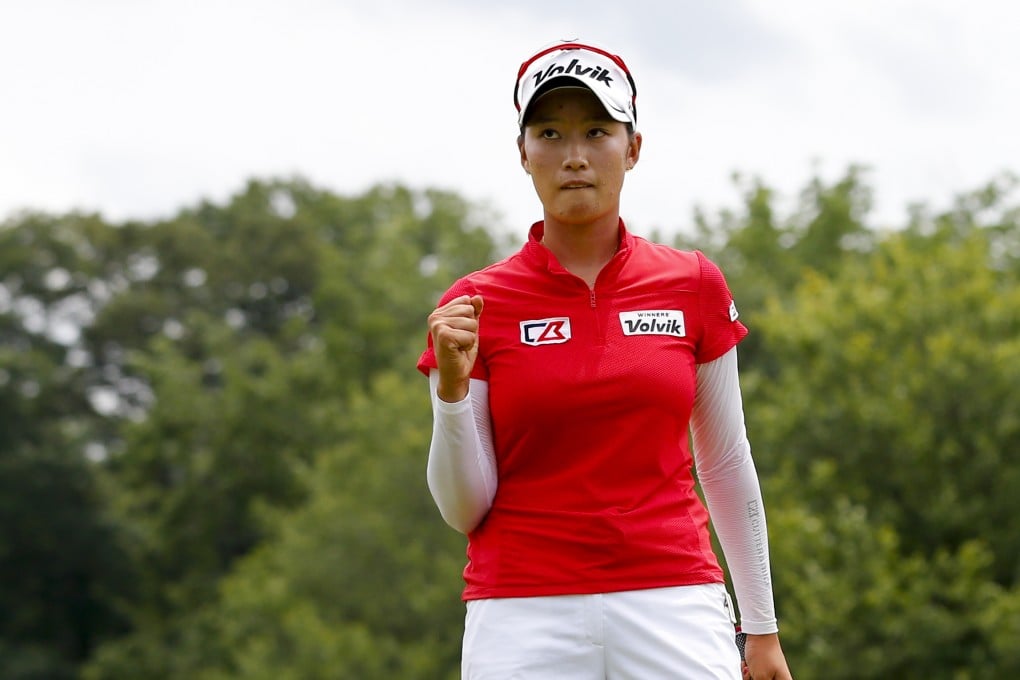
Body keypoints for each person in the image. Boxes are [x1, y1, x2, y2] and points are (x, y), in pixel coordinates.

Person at [417, 39, 794, 680]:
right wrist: (451, 394)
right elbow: (463, 510)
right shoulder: (475, 303)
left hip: (674, 599)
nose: (574, 156)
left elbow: (726, 460)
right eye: (550, 133)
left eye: (596, 131)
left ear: (633, 147)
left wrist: (761, 629)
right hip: (521, 611)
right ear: (523, 153)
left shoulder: (692, 284)